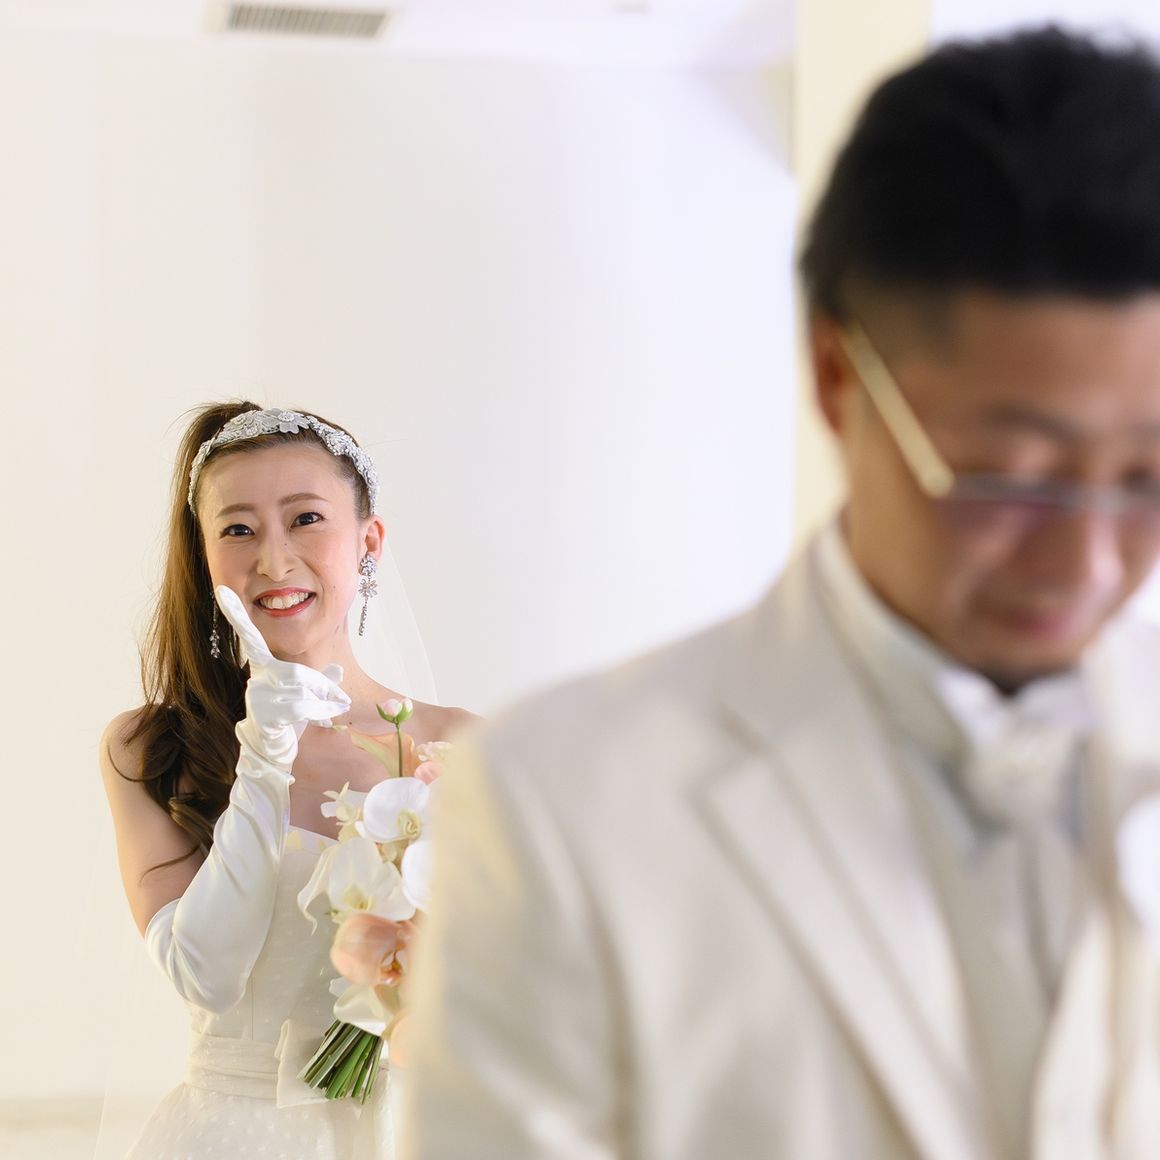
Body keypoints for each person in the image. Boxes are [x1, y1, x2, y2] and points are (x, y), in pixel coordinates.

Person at [402, 26, 1160, 1160]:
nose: (1087, 562)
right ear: (837, 377)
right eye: (1009, 474)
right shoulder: (559, 806)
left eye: (1146, 476)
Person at [99, 401, 476, 1158]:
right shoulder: (153, 747)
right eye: (238, 530)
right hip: (230, 1137)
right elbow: (206, 974)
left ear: (368, 541)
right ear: (204, 558)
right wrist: (265, 751)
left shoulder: (462, 747)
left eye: (306, 519)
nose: (273, 561)